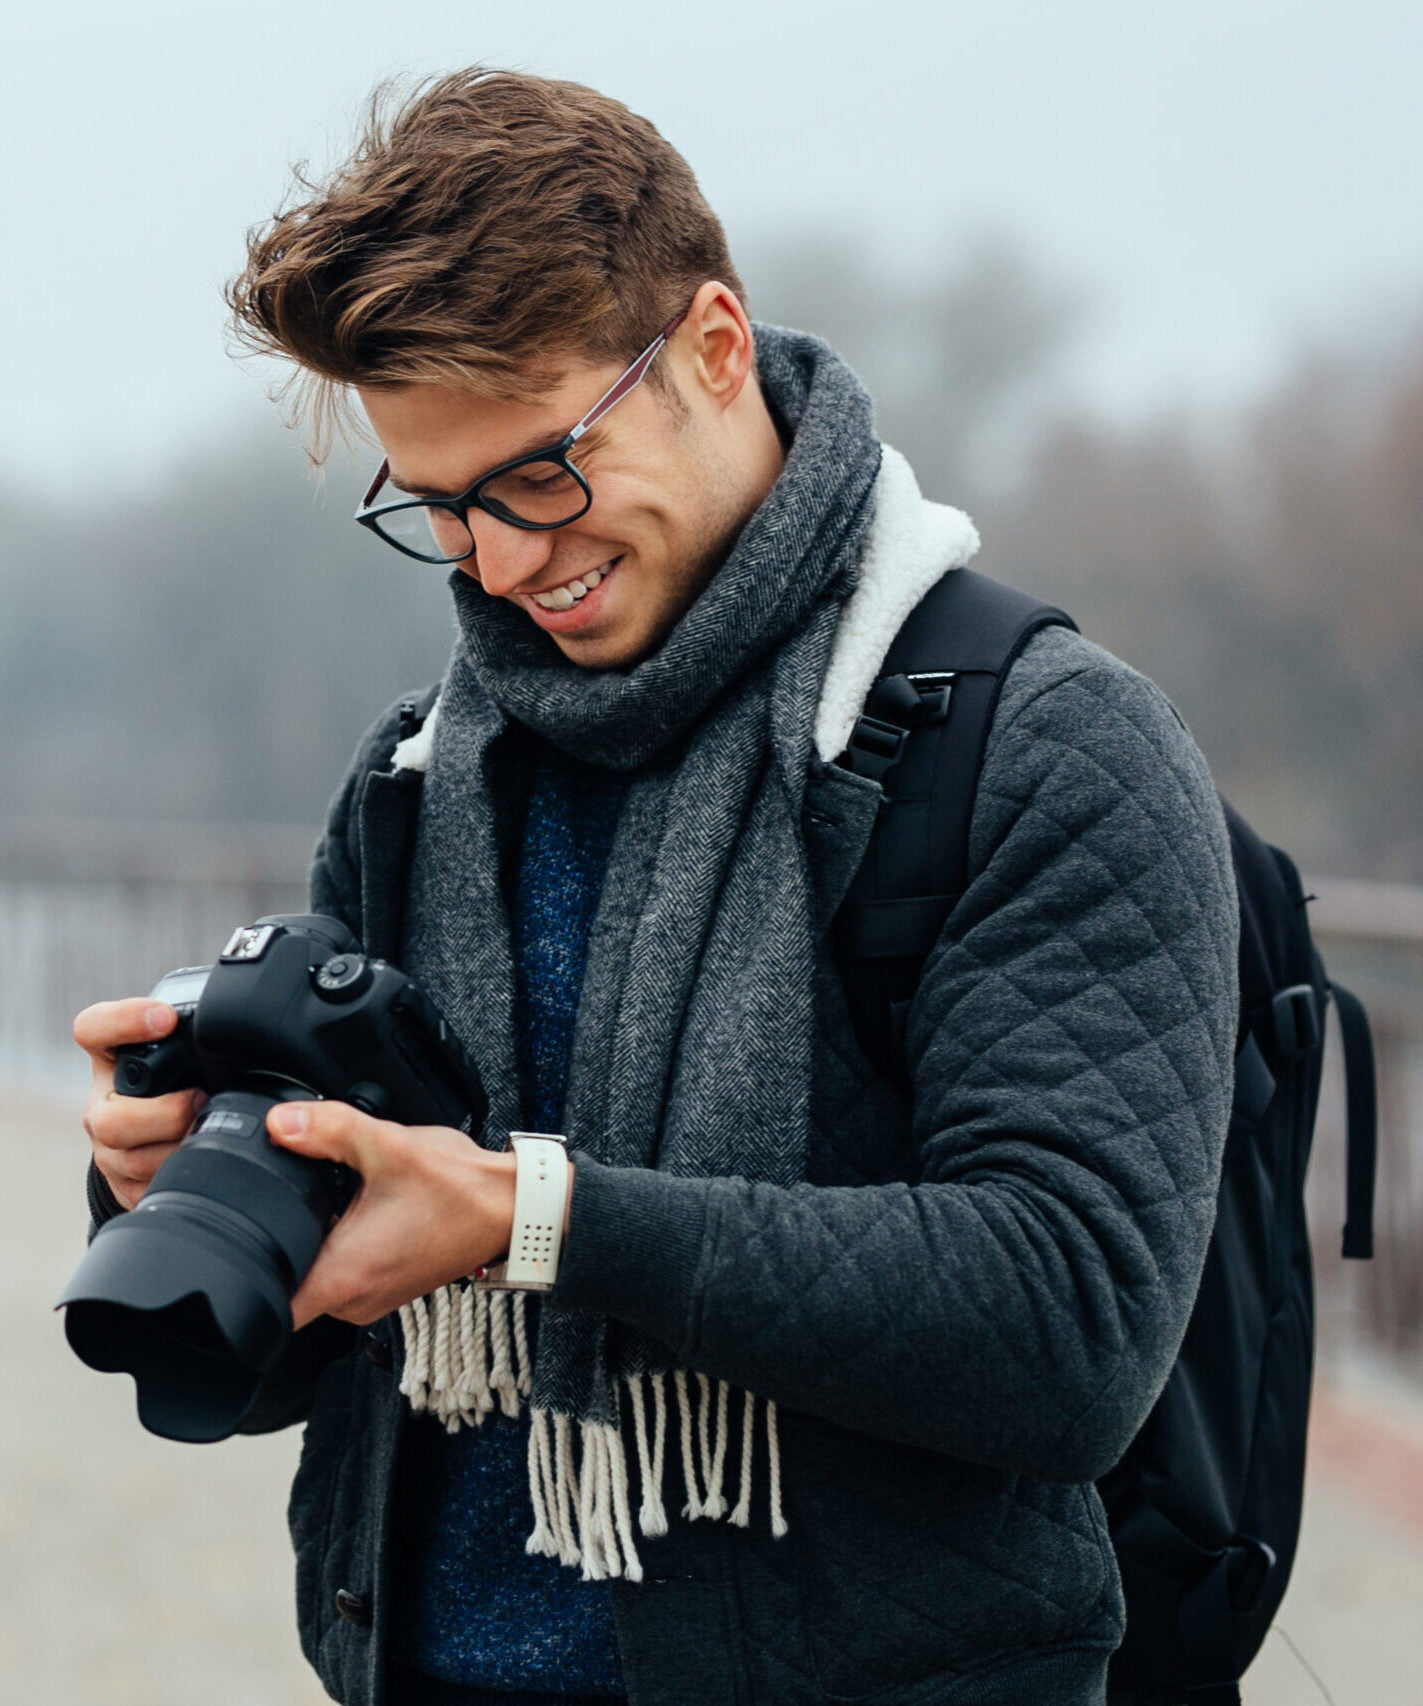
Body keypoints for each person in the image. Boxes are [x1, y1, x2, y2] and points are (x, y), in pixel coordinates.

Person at [75, 67, 1238, 1706]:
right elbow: (324, 1368)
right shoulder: (421, 776)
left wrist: (537, 1217)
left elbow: (1068, 1332)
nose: (499, 563)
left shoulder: (1046, 745)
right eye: (443, 507)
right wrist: (197, 1200)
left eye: (541, 473)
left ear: (710, 347)